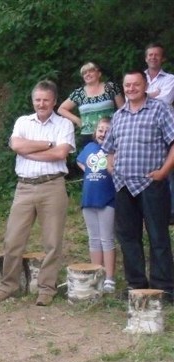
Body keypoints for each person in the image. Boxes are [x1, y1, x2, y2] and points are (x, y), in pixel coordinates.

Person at [0, 80, 75, 307]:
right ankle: (8, 286)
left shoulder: (64, 124)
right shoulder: (22, 122)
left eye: (46, 100)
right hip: (24, 187)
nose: (41, 104)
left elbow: (61, 153)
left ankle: (47, 288)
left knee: (52, 241)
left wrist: (33, 151)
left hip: (52, 186)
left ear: (55, 101)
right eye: (38, 99)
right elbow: (17, 146)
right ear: (33, 100)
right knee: (13, 239)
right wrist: (48, 144)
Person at [101, 70, 174, 301]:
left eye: (136, 84)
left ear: (144, 86)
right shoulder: (119, 115)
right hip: (123, 185)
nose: (131, 89)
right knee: (128, 237)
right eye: (127, 85)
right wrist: (112, 168)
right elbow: (108, 148)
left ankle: (164, 288)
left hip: (151, 184)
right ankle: (136, 285)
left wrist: (163, 172)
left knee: (157, 236)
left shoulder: (160, 109)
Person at [76, 117, 116, 293]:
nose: (103, 133)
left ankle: (109, 278)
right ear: (95, 132)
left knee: (106, 238)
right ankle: (96, 273)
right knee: (93, 238)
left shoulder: (114, 150)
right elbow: (80, 160)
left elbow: (114, 170)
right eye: (100, 130)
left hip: (107, 199)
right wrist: (88, 170)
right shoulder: (89, 148)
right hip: (89, 199)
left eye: (107, 131)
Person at [57, 62, 123, 147]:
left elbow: (122, 109)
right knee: (90, 159)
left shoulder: (110, 87)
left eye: (91, 71)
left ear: (99, 74)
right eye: (84, 73)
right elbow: (61, 109)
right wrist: (78, 120)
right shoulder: (79, 93)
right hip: (88, 135)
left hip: (110, 133)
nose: (87, 74)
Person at [144, 42, 174, 221]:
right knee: (149, 166)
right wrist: (151, 93)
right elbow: (129, 98)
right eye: (150, 55)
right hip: (144, 128)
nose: (153, 57)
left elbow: (165, 99)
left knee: (169, 169)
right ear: (146, 58)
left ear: (162, 58)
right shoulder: (138, 78)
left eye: (157, 55)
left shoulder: (170, 79)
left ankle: (171, 212)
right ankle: (150, 209)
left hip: (166, 127)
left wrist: (144, 95)